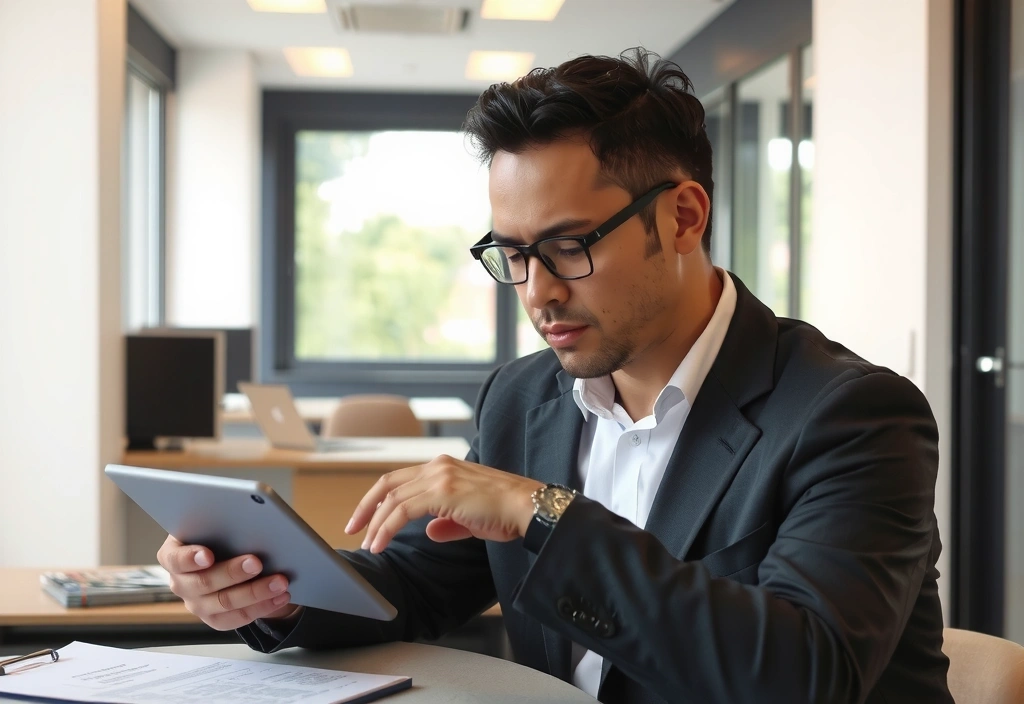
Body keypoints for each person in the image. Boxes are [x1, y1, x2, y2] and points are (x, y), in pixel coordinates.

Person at [157, 49, 953, 703]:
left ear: (682, 217)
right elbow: (419, 585)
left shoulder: (853, 416)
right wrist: (274, 590)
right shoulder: (523, 398)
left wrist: (541, 513)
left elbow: (805, 676)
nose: (536, 292)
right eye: (512, 253)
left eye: (569, 247)